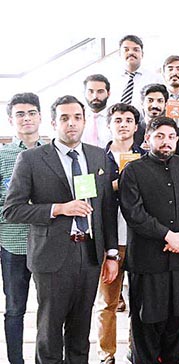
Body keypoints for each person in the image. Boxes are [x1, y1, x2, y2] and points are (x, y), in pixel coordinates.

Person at [4, 95, 119, 364]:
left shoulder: (97, 155)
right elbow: (12, 209)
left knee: (81, 330)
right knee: (49, 330)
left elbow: (105, 209)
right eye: (65, 118)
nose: (71, 124)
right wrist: (58, 208)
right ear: (53, 122)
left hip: (89, 254)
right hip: (52, 255)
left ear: (84, 121)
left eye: (77, 118)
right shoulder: (31, 159)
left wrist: (111, 253)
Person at [119, 116, 179, 364]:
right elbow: (134, 214)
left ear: (177, 140)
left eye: (171, 137)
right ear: (147, 139)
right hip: (148, 262)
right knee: (147, 322)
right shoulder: (133, 171)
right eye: (159, 136)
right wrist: (168, 236)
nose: (165, 142)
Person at [96, 103, 145, 364]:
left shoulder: (147, 157)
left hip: (139, 240)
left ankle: (135, 350)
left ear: (136, 126)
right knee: (107, 304)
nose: (123, 124)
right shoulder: (95, 158)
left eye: (128, 120)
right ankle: (107, 353)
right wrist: (116, 184)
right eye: (118, 120)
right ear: (109, 125)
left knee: (139, 304)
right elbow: (88, 195)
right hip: (107, 241)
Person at [0, 92, 43, 364]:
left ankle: (46, 358)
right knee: (15, 308)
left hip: (47, 243)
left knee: (51, 309)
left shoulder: (51, 153)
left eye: (31, 113)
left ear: (40, 116)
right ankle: (16, 360)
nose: (26, 118)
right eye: (20, 114)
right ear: (10, 120)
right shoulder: (3, 156)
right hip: (12, 243)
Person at [113, 35, 161, 109]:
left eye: (136, 50)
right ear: (119, 54)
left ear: (142, 54)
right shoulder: (111, 79)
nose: (131, 53)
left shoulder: (154, 80)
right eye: (126, 50)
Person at [83, 74, 113, 146]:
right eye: (91, 91)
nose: (95, 96)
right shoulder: (78, 119)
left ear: (108, 94)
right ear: (84, 93)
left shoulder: (116, 118)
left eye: (100, 91)